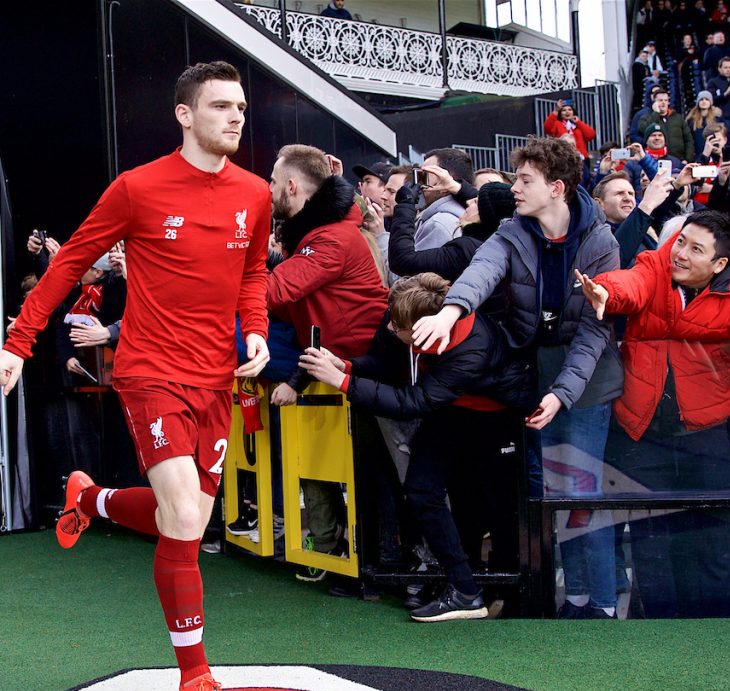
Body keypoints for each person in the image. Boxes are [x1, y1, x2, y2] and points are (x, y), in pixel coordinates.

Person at [0, 61, 272, 691]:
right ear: (184, 114)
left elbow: (254, 271)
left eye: (241, 107)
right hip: (148, 372)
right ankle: (197, 678)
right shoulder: (138, 188)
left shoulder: (255, 194)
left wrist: (255, 332)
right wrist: (19, 343)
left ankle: (89, 497)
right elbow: (66, 262)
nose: (236, 117)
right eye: (221, 106)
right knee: (181, 516)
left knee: (190, 522)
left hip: (217, 381)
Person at [411, 137, 625, 620]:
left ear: (556, 188)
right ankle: (572, 599)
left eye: (525, 180)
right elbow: (482, 271)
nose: (515, 189)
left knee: (582, 489)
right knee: (551, 489)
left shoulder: (600, 242)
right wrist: (450, 311)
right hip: (538, 372)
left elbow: (594, 333)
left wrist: (562, 395)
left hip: (586, 380)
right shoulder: (513, 229)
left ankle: (604, 603)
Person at [576, 210, 730, 617]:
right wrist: (607, 292)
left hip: (707, 434)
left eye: (694, 248)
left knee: (711, 541)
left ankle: (712, 634)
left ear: (718, 264)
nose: (679, 253)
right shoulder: (656, 262)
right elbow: (632, 283)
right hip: (641, 432)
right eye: (681, 241)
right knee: (650, 543)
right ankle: (659, 634)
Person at [299, 273, 532, 621]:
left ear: (423, 328)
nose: (391, 330)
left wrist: (343, 382)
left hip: (491, 418)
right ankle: (464, 588)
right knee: (423, 490)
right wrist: (344, 365)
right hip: (452, 408)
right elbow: (389, 367)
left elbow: (414, 401)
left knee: (488, 506)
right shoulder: (414, 322)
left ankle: (488, 593)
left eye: (398, 326)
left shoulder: (471, 348)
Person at [265, 143, 389, 577]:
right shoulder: (321, 235)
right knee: (333, 468)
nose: (270, 191)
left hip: (364, 370)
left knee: (371, 478)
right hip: (333, 367)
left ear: (294, 186)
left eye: (275, 183)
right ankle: (344, 558)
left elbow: (273, 293)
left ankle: (374, 566)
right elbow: (285, 306)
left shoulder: (331, 238)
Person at [414, 148, 474, 249]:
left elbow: (406, 264)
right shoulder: (461, 214)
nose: (419, 182)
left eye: (425, 175)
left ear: (446, 180)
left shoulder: (439, 224)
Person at [638, 90, 695, 161]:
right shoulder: (646, 117)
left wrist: (687, 159)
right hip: (655, 161)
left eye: (666, 100)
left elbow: (688, 140)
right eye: (660, 100)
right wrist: (656, 113)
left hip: (679, 160)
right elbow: (644, 130)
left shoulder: (678, 118)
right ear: (654, 102)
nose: (663, 102)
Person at [686, 90, 724, 155]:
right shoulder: (691, 120)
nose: (704, 101)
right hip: (697, 154)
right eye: (701, 99)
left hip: (713, 154)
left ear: (710, 102)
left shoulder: (717, 119)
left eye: (707, 99)